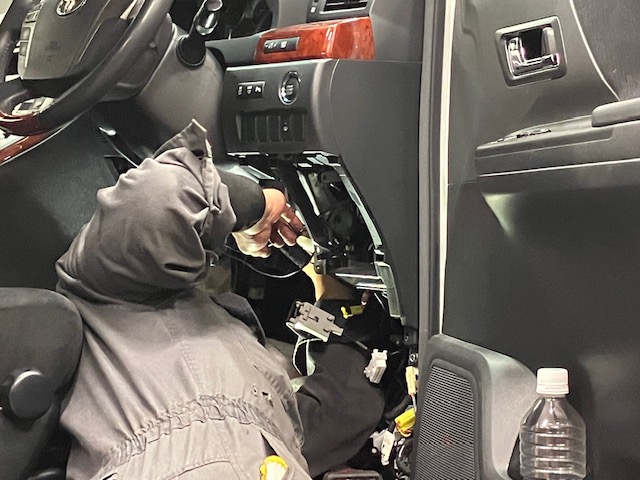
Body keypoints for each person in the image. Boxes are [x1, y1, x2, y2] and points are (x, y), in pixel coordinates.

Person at [56, 121, 386, 479]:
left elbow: (342, 410)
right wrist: (259, 206)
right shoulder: (101, 281)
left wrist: (330, 296)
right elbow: (162, 194)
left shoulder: (221, 343)